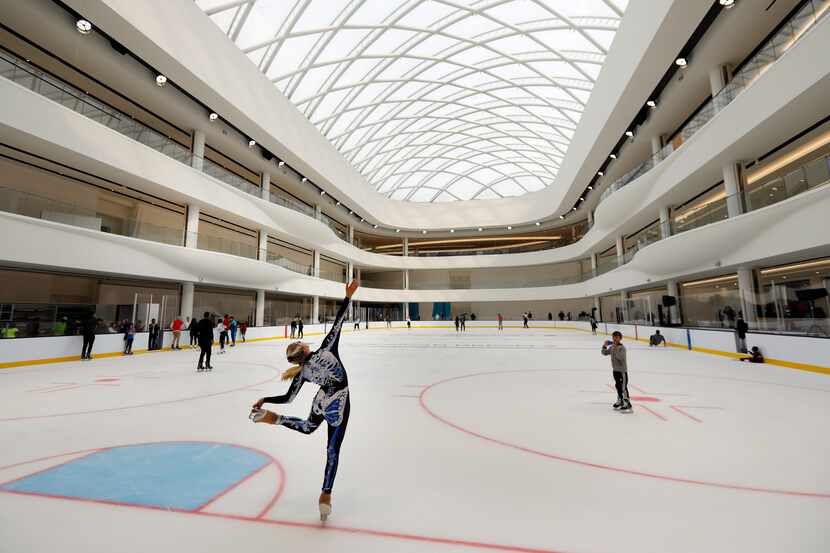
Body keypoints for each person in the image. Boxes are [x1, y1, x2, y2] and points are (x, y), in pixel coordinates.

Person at [250, 279, 359, 522]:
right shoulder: (327, 348)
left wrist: (265, 399)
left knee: (310, 427)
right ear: (304, 349)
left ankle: (276, 420)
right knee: (332, 449)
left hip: (321, 399)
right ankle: (325, 495)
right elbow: (339, 322)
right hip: (339, 401)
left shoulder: (302, 373)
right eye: (300, 342)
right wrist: (348, 296)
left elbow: (288, 397)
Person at [601, 331, 631, 411]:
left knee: (623, 387)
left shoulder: (622, 348)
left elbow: (620, 358)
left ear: (620, 338)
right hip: (615, 370)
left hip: (622, 371)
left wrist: (615, 348)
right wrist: (604, 346)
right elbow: (604, 353)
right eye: (613, 337)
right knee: (617, 386)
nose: (615, 339)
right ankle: (620, 400)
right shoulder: (612, 347)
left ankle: (627, 402)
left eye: (617, 337)